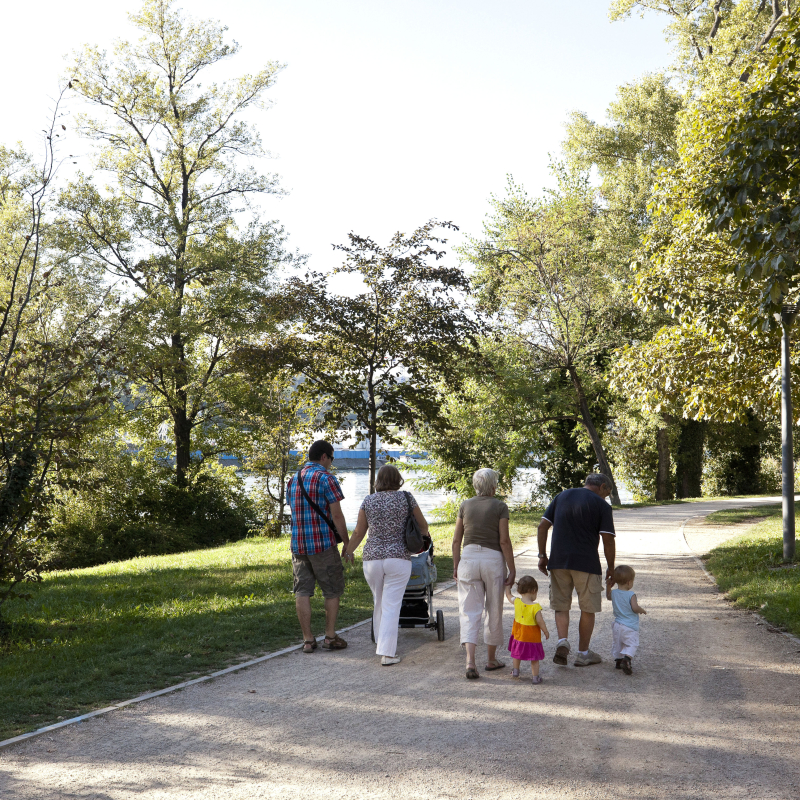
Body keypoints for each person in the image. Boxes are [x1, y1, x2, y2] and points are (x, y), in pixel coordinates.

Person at [344, 464, 429, 666]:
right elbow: (424, 526)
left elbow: (358, 532)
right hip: (398, 558)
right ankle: (387, 654)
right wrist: (421, 538)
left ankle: (382, 645)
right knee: (391, 605)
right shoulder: (406, 498)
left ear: (378, 481)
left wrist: (348, 550)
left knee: (379, 602)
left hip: (372, 559)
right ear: (397, 479)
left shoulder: (368, 501)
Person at [537, 473, 616, 667]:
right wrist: (611, 567)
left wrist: (542, 555)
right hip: (586, 563)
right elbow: (608, 539)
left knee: (561, 605)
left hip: (558, 561)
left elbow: (542, 527)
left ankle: (562, 641)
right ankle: (583, 653)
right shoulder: (602, 505)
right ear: (602, 486)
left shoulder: (561, 496)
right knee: (587, 608)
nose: (606, 496)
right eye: (608, 492)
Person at [287, 440, 352, 654]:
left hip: (298, 546)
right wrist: (347, 543)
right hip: (322, 545)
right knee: (331, 591)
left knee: (302, 592)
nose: (331, 463)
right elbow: (336, 515)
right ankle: (330, 637)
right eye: (331, 458)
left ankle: (308, 640)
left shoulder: (292, 480)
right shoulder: (326, 478)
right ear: (324, 456)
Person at [453, 468, 516, 680]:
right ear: (493, 486)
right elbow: (504, 541)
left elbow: (456, 541)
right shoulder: (500, 506)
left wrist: (455, 565)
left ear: (475, 485)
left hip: (469, 558)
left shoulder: (465, 505)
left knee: (469, 610)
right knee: (494, 609)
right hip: (492, 560)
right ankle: (491, 659)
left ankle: (470, 661)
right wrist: (512, 568)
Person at [505, 575, 550, 684]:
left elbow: (508, 595)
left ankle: (515, 671)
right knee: (534, 658)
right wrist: (545, 631)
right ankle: (535, 677)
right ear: (534, 590)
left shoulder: (517, 601)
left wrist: (507, 587)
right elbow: (540, 621)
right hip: (532, 637)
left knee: (516, 654)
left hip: (519, 635)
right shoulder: (536, 607)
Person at [606, 564, 646, 675]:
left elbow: (608, 597)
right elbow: (634, 607)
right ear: (629, 582)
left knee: (618, 643)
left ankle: (618, 661)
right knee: (632, 644)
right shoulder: (631, 594)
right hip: (630, 626)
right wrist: (641, 610)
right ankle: (627, 659)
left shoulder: (613, 593)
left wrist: (609, 586)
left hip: (617, 625)